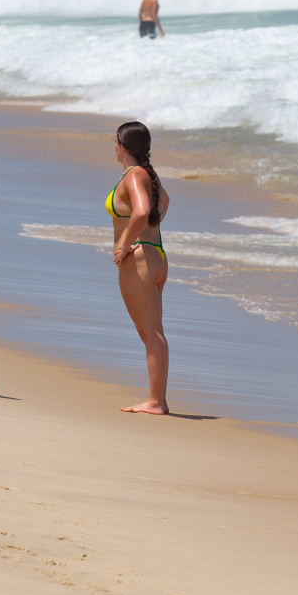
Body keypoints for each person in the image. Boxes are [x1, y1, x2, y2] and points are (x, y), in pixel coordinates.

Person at [106, 121, 173, 415]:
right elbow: (164, 202)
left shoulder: (134, 175)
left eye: (115, 142)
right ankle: (157, 399)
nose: (114, 147)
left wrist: (125, 244)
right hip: (156, 255)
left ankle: (155, 401)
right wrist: (145, 238)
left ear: (123, 146)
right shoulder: (149, 175)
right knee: (153, 330)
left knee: (150, 332)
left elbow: (143, 210)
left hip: (141, 261)